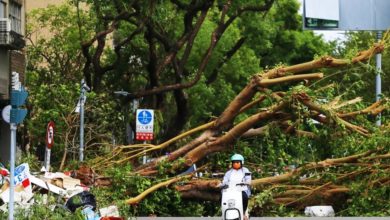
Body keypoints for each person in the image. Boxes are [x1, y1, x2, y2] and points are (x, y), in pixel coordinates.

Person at [221, 153, 251, 218]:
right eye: (234, 162)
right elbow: (224, 181)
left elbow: (248, 179)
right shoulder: (228, 173)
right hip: (230, 191)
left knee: (245, 197)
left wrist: (246, 182)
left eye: (237, 162)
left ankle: (243, 213)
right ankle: (224, 214)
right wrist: (222, 185)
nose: (235, 164)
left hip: (241, 190)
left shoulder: (246, 171)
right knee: (222, 198)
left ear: (241, 163)